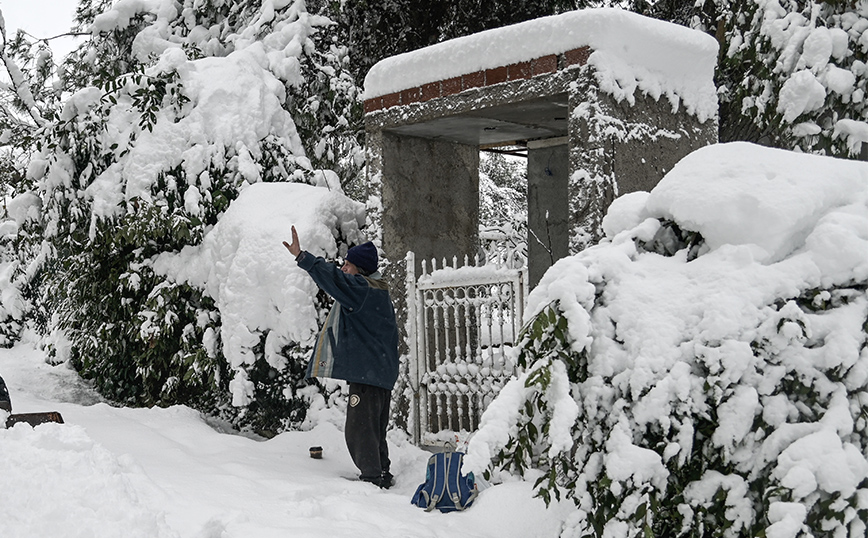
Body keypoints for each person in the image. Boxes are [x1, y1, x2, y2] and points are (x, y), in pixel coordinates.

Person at [283, 226, 399, 488]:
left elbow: (333, 278)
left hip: (370, 373)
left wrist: (302, 256)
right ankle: (382, 473)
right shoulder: (378, 290)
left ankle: (372, 479)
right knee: (374, 428)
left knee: (359, 429)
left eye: (349, 264)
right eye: (344, 264)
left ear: (361, 269)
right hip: (380, 371)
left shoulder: (362, 289)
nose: (344, 268)